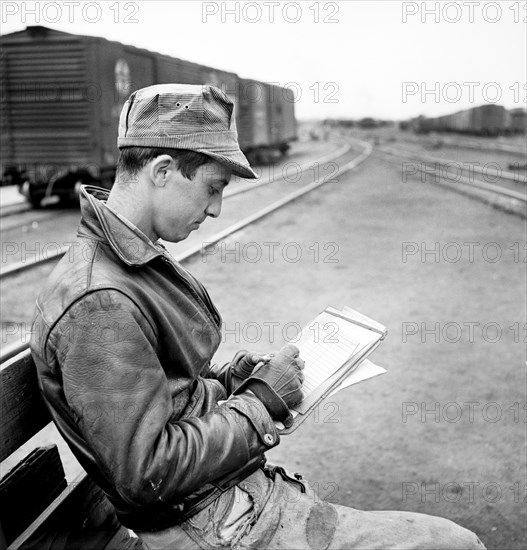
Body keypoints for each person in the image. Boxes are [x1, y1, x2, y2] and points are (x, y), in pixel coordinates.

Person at [30, 84, 485, 549]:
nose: (215, 208)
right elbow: (146, 473)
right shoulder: (99, 302)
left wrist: (231, 381)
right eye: (213, 188)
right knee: (456, 543)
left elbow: (166, 395)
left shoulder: (125, 262)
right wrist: (262, 402)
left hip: (224, 502)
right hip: (204, 524)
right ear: (163, 171)